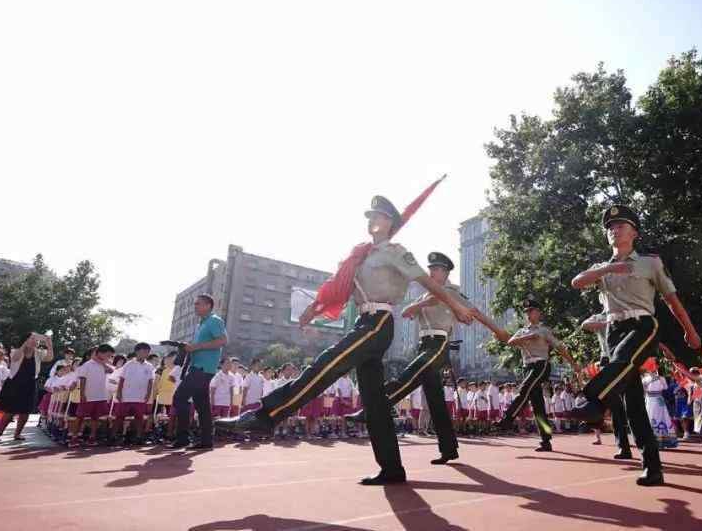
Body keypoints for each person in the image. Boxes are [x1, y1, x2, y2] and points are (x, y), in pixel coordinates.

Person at [217, 195, 475, 485]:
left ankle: (267, 415)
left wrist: (456, 306)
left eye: (377, 216)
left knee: (328, 363)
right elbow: (338, 288)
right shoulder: (361, 255)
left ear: (390, 222)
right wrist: (313, 311)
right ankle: (392, 468)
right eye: (369, 216)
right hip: (363, 320)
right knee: (375, 402)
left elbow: (426, 282)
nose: (371, 221)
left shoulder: (396, 251)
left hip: (379, 323)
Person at [568, 205, 702, 487]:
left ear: (634, 233)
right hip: (614, 329)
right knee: (633, 406)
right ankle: (652, 466)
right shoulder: (601, 268)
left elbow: (671, 299)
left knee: (622, 361)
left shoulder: (650, 263)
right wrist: (610, 267)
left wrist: (690, 331)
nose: (614, 230)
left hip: (643, 325)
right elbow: (577, 282)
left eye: (620, 226)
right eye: (610, 227)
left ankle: (592, 399)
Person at [346, 251, 505, 462]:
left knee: (409, 375)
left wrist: (498, 331)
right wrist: (423, 304)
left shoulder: (451, 292)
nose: (431, 272)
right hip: (424, 345)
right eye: (430, 269)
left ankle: (373, 408)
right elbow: (405, 313)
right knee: (436, 401)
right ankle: (448, 449)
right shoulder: (423, 296)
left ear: (445, 273)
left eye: (436, 269)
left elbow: (476, 312)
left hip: (439, 345)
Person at [494, 297, 582, 452]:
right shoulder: (522, 331)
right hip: (528, 367)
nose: (528, 314)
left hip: (541, 365)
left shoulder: (544, 330)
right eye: (526, 311)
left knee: (524, 389)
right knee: (538, 406)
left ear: (538, 313)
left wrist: (573, 362)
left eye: (531, 311)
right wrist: (528, 337)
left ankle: (507, 420)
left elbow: (559, 347)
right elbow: (511, 342)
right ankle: (546, 440)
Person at [170, 294, 228, 450]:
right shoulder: (201, 324)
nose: (195, 306)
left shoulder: (214, 320)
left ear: (208, 305)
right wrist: (188, 347)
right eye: (195, 304)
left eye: (198, 304)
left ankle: (183, 438)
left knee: (179, 398)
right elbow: (200, 345)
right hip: (198, 367)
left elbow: (222, 341)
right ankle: (206, 441)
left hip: (203, 368)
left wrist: (195, 347)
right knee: (202, 405)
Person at [581, 311, 634, 459]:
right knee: (612, 401)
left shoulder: (624, 311)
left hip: (625, 359)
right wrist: (606, 323)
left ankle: (637, 441)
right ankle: (622, 445)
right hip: (607, 359)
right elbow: (584, 325)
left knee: (630, 401)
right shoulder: (600, 316)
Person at [0, 333, 53, 442]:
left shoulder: (38, 353)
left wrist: (49, 343)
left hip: (30, 384)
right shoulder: (16, 351)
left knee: (25, 412)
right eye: (32, 339)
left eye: (36, 340)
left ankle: (17, 434)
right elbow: (15, 358)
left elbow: (49, 357)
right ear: (26, 340)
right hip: (15, 383)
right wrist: (26, 343)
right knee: (9, 411)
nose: (35, 341)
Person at [69, 344, 115, 447]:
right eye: (108, 355)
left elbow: (112, 370)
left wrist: (102, 362)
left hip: (100, 396)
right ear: (100, 353)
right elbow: (83, 380)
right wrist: (82, 395)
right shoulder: (87, 365)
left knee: (96, 418)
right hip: (88, 396)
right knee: (80, 417)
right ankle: (74, 438)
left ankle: (92, 437)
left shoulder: (104, 365)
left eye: (111, 356)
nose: (109, 358)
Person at [114, 343, 156, 445]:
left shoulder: (149, 366)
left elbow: (150, 382)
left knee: (139, 418)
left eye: (148, 352)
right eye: (144, 351)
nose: (146, 354)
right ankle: (114, 436)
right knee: (120, 417)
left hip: (140, 396)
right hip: (126, 395)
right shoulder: (128, 364)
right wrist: (119, 392)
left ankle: (138, 437)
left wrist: (148, 394)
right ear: (137, 352)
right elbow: (121, 379)